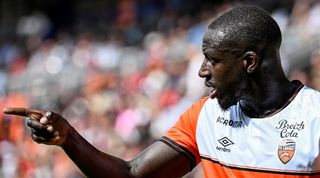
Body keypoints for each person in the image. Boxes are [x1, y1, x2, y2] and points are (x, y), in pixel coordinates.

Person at [3, 6, 320, 178]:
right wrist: (68, 138)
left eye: (214, 60)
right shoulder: (205, 116)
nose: (202, 71)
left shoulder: (315, 118)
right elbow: (133, 174)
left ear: (248, 62)